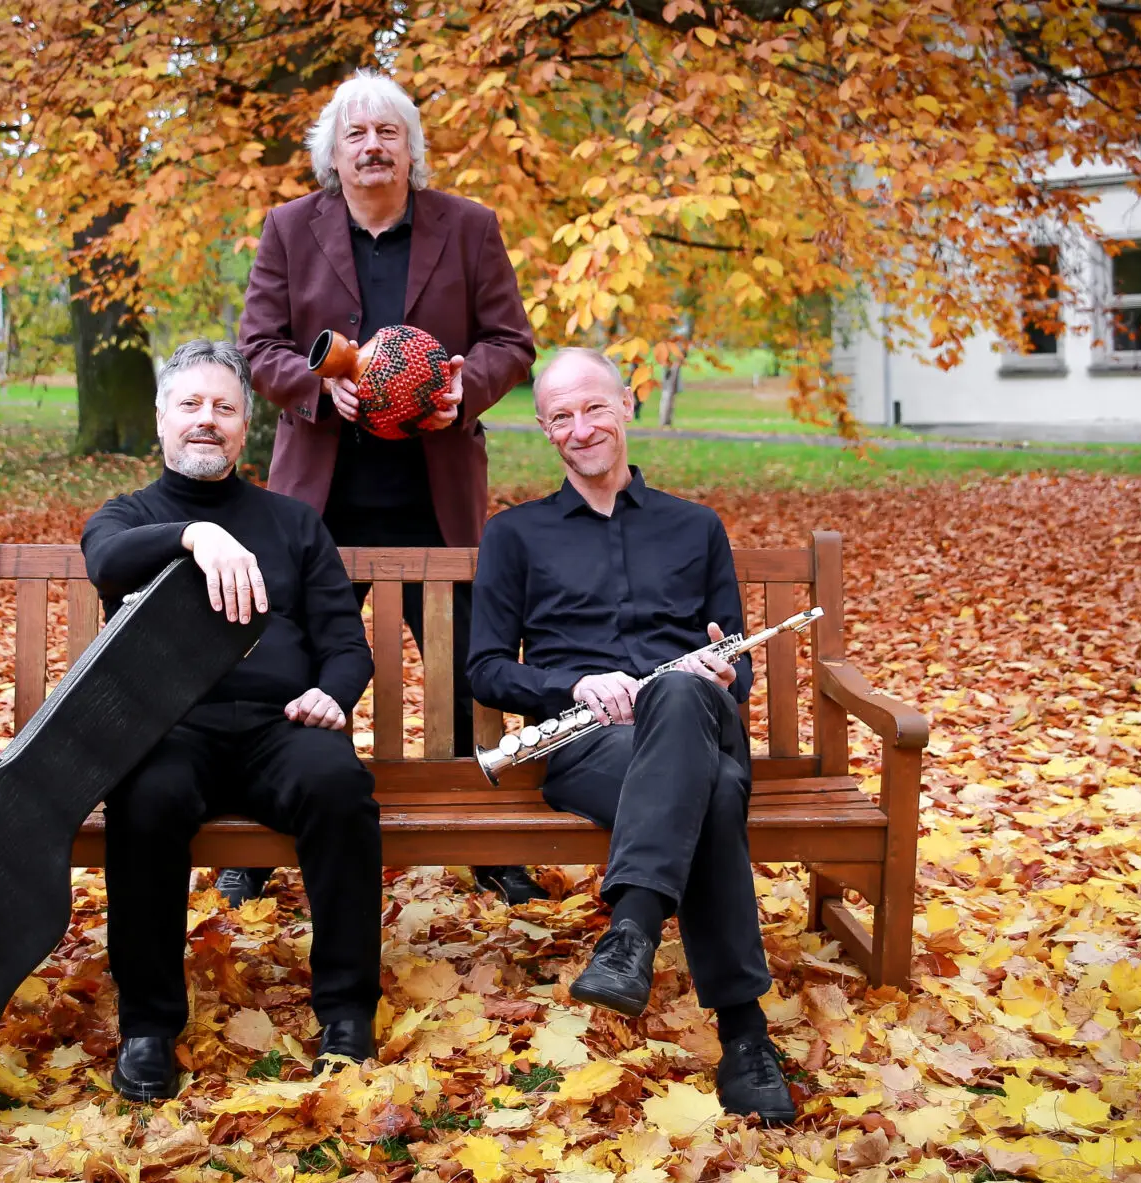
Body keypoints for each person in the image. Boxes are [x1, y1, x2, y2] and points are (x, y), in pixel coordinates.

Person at [233, 69, 544, 907]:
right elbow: (258, 344)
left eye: (388, 133)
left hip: (432, 488)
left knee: (463, 665)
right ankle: (256, 840)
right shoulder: (291, 229)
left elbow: (512, 341)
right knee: (283, 657)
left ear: (412, 148)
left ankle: (486, 837)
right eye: (356, 135)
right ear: (333, 156)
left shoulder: (470, 228)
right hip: (319, 499)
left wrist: (463, 388)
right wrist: (314, 383)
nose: (373, 147)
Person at [465, 347, 795, 1125]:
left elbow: (735, 664)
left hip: (698, 723)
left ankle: (631, 935)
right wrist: (570, 684)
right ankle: (745, 1036)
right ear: (547, 431)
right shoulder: (515, 536)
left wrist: (720, 679)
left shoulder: (696, 526)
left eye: (595, 408)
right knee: (709, 796)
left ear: (628, 405)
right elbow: (483, 669)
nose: (581, 428)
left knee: (682, 691)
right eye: (562, 417)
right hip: (590, 746)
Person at [81, 339, 382, 1101]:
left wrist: (334, 696)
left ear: (247, 425)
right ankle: (148, 1028)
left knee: (339, 786)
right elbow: (107, 562)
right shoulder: (130, 517)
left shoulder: (292, 523)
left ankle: (346, 1014)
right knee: (143, 800)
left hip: (281, 727)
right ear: (161, 420)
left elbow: (347, 644)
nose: (206, 421)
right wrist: (194, 535)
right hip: (169, 730)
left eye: (223, 407)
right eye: (190, 405)